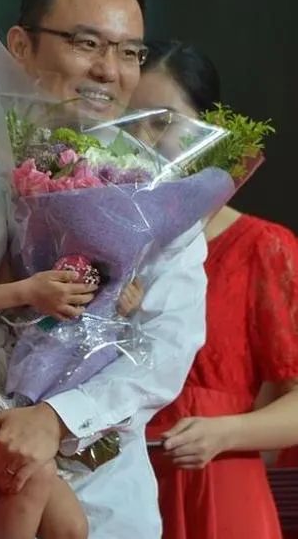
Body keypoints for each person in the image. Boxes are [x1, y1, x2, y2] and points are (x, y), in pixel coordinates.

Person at [0, 0, 209, 538]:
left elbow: (167, 348)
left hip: (107, 495)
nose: (108, 70)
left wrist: (56, 418)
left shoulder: (161, 199)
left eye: (129, 52)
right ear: (21, 46)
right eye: (87, 43)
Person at [129, 39, 298, 539]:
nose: (141, 138)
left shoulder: (264, 247)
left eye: (163, 121)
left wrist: (225, 432)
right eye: (129, 121)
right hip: (122, 486)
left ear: (211, 129)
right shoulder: (107, 243)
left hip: (220, 487)